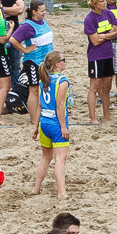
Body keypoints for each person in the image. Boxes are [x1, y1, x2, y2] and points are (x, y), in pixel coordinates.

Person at [7, 0, 55, 129]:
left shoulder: (42, 21)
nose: (44, 13)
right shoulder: (27, 26)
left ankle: (40, 116)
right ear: (34, 12)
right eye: (42, 10)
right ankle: (34, 120)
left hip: (45, 63)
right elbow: (13, 40)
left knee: (42, 89)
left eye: (45, 10)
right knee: (33, 90)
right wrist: (25, 50)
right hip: (33, 62)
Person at [33, 52, 73, 197]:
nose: (65, 62)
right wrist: (63, 126)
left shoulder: (43, 79)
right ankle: (61, 193)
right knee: (60, 160)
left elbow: (39, 105)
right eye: (63, 60)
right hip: (56, 124)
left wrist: (35, 127)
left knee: (45, 157)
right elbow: (60, 105)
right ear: (57, 64)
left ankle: (36, 188)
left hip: (44, 123)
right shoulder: (62, 81)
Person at [82, 0, 117, 123]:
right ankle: (93, 118)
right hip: (96, 56)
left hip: (108, 54)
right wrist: (106, 35)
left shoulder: (108, 13)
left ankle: (106, 115)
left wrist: (103, 35)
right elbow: (95, 41)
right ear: (94, 4)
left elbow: (115, 31)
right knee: (94, 87)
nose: (105, 3)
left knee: (107, 87)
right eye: (101, 1)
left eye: (104, 1)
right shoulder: (90, 19)